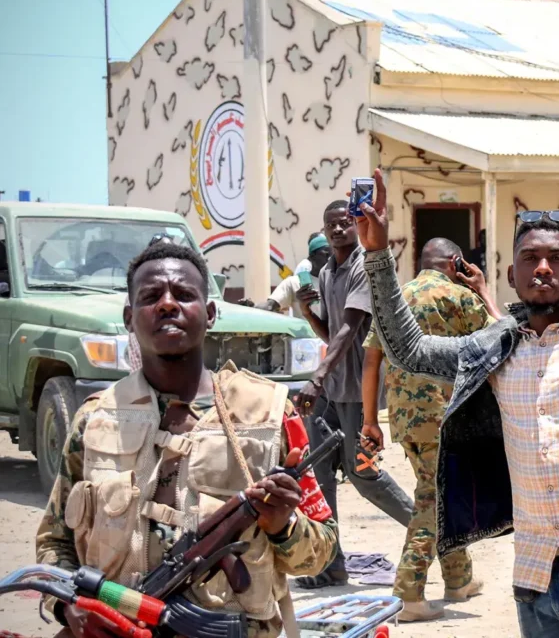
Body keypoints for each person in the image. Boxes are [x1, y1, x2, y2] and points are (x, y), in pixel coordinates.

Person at [356, 169, 559, 638]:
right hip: (536, 580)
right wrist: (378, 254)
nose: (543, 268)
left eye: (557, 258)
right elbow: (409, 350)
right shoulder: (494, 348)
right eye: (530, 258)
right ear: (510, 274)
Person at [36, 243, 339, 638]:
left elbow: (322, 552)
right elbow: (54, 542)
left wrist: (283, 526)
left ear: (210, 314)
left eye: (183, 294)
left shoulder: (271, 414)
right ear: (129, 318)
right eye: (150, 297)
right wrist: (68, 606)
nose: (167, 304)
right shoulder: (94, 419)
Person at [360, 237, 502, 622]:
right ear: (456, 263)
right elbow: (502, 339)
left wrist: (370, 420)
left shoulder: (396, 298)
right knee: (433, 498)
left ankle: (459, 578)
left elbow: (371, 360)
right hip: (446, 415)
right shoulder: (460, 297)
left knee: (441, 490)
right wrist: (483, 290)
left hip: (405, 417)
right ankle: (409, 594)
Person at [294, 200, 415, 589]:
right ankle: (331, 563)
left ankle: (431, 536)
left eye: (344, 223)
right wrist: (308, 313)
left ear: (355, 225)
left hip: (357, 391)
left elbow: (350, 328)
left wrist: (316, 377)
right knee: (319, 475)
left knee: (364, 474)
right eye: (330, 224)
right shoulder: (327, 272)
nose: (337, 229)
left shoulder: (362, 267)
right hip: (331, 389)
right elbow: (331, 334)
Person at [242, 234, 332, 316]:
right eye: (326, 254)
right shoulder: (295, 282)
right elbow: (270, 306)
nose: (329, 259)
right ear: (312, 256)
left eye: (332, 255)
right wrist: (251, 308)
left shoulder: (337, 282)